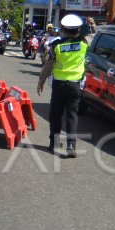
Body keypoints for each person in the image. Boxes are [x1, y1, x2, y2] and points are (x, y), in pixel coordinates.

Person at [36, 14, 88, 158]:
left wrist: (41, 81)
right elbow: (89, 34)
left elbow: (48, 65)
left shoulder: (56, 45)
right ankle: (71, 146)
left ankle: (54, 143)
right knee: (72, 115)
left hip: (59, 85)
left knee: (55, 114)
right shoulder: (84, 44)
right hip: (75, 86)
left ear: (63, 30)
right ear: (78, 30)